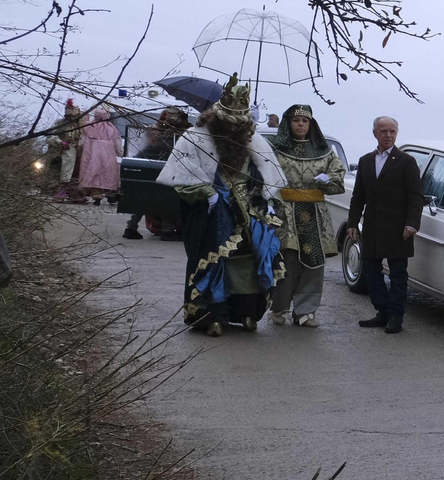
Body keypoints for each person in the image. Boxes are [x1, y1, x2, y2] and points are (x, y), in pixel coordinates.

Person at [157, 75, 287, 336]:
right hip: (211, 210)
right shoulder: (195, 138)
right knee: (215, 259)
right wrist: (207, 193)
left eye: (237, 124)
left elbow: (268, 175)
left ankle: (246, 312)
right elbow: (180, 174)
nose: (232, 129)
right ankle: (212, 315)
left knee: (253, 257)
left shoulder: (253, 141)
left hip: (248, 208)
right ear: (217, 118)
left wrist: (267, 198)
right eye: (227, 123)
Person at [267, 104, 346, 327]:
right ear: (288, 124)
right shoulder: (275, 149)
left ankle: (305, 311)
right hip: (285, 212)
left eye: (305, 121)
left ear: (311, 125)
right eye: (296, 121)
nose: (301, 125)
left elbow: (338, 179)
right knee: (286, 260)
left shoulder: (325, 151)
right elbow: (264, 178)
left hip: (314, 213)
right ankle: (279, 308)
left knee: (313, 263)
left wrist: (327, 180)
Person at [347, 116, 422, 333]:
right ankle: (383, 311)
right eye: (383, 132)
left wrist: (412, 224)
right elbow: (358, 196)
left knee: (398, 274)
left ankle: (395, 317)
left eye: (392, 132)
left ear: (396, 134)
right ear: (375, 134)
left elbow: (416, 197)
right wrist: (353, 222)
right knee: (370, 271)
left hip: (400, 229)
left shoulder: (407, 162)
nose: (388, 135)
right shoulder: (365, 161)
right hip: (372, 226)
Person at [124, 107, 190, 239]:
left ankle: (131, 227)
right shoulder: (173, 137)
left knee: (146, 199)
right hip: (167, 170)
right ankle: (168, 230)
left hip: (152, 168)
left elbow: (141, 153)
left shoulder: (158, 133)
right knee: (167, 198)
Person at [77, 107, 122, 203]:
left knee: (94, 176)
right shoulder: (112, 129)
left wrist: (80, 152)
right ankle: (110, 194)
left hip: (92, 157)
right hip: (108, 158)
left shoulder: (89, 128)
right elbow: (117, 145)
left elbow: (81, 143)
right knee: (109, 175)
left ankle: (96, 196)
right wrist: (120, 153)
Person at [48, 99, 85, 202]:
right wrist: (61, 142)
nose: (73, 118)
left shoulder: (82, 124)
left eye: (74, 116)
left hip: (81, 151)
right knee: (66, 171)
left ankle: (76, 195)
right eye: (70, 116)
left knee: (79, 171)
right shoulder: (60, 124)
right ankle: (61, 193)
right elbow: (50, 136)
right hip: (66, 150)